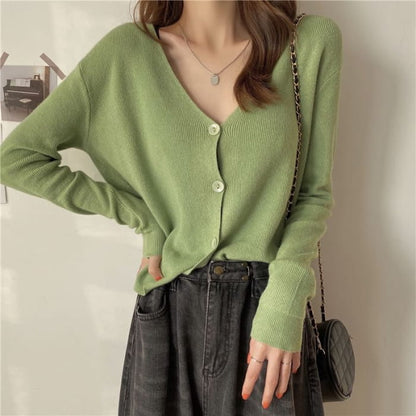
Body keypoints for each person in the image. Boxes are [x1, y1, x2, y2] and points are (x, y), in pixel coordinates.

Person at [0, 1, 343, 415]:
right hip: (169, 313)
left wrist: (286, 297)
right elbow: (16, 159)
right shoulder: (126, 54)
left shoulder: (309, 44)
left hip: (270, 310)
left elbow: (312, 194)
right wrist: (142, 217)